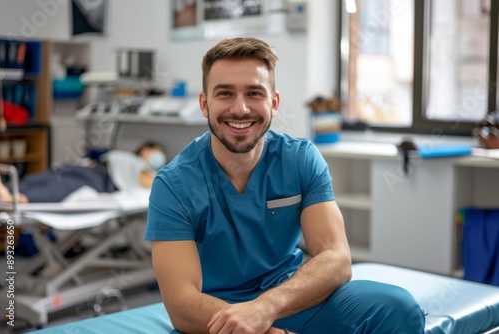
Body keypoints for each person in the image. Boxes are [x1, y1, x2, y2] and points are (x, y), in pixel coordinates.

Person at [145, 37, 425, 334]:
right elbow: (182, 303)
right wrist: (261, 329)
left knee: (398, 307)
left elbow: (337, 257)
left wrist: (266, 308)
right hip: (217, 320)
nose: (240, 109)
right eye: (225, 94)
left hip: (292, 301)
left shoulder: (300, 159)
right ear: (204, 103)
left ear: (274, 103)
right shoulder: (173, 185)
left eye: (254, 93)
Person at [0, 141, 166, 203]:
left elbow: (154, 185)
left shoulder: (147, 171)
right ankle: (6, 187)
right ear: (144, 149)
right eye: (154, 149)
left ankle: (18, 198)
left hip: (103, 180)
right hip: (90, 168)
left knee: (62, 186)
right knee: (48, 176)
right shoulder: (132, 159)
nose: (158, 155)